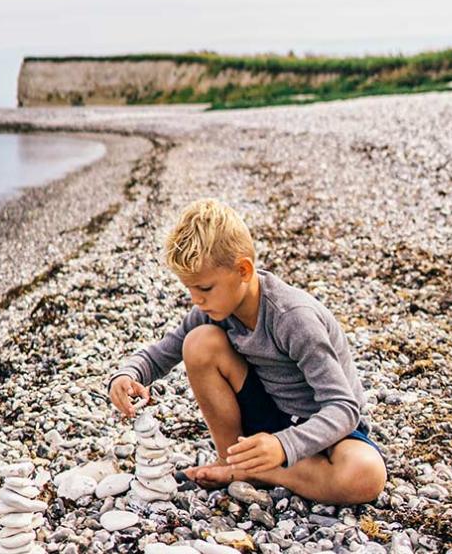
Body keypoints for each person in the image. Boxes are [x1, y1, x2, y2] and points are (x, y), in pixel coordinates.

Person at [107, 198, 386, 505]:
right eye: (190, 289)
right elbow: (160, 354)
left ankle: (251, 470)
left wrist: (283, 445)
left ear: (243, 269)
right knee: (199, 342)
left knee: (365, 474)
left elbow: (344, 408)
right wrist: (128, 374)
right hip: (267, 420)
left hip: (325, 431)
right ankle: (236, 460)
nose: (196, 300)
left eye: (205, 288)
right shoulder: (214, 310)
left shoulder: (293, 318)